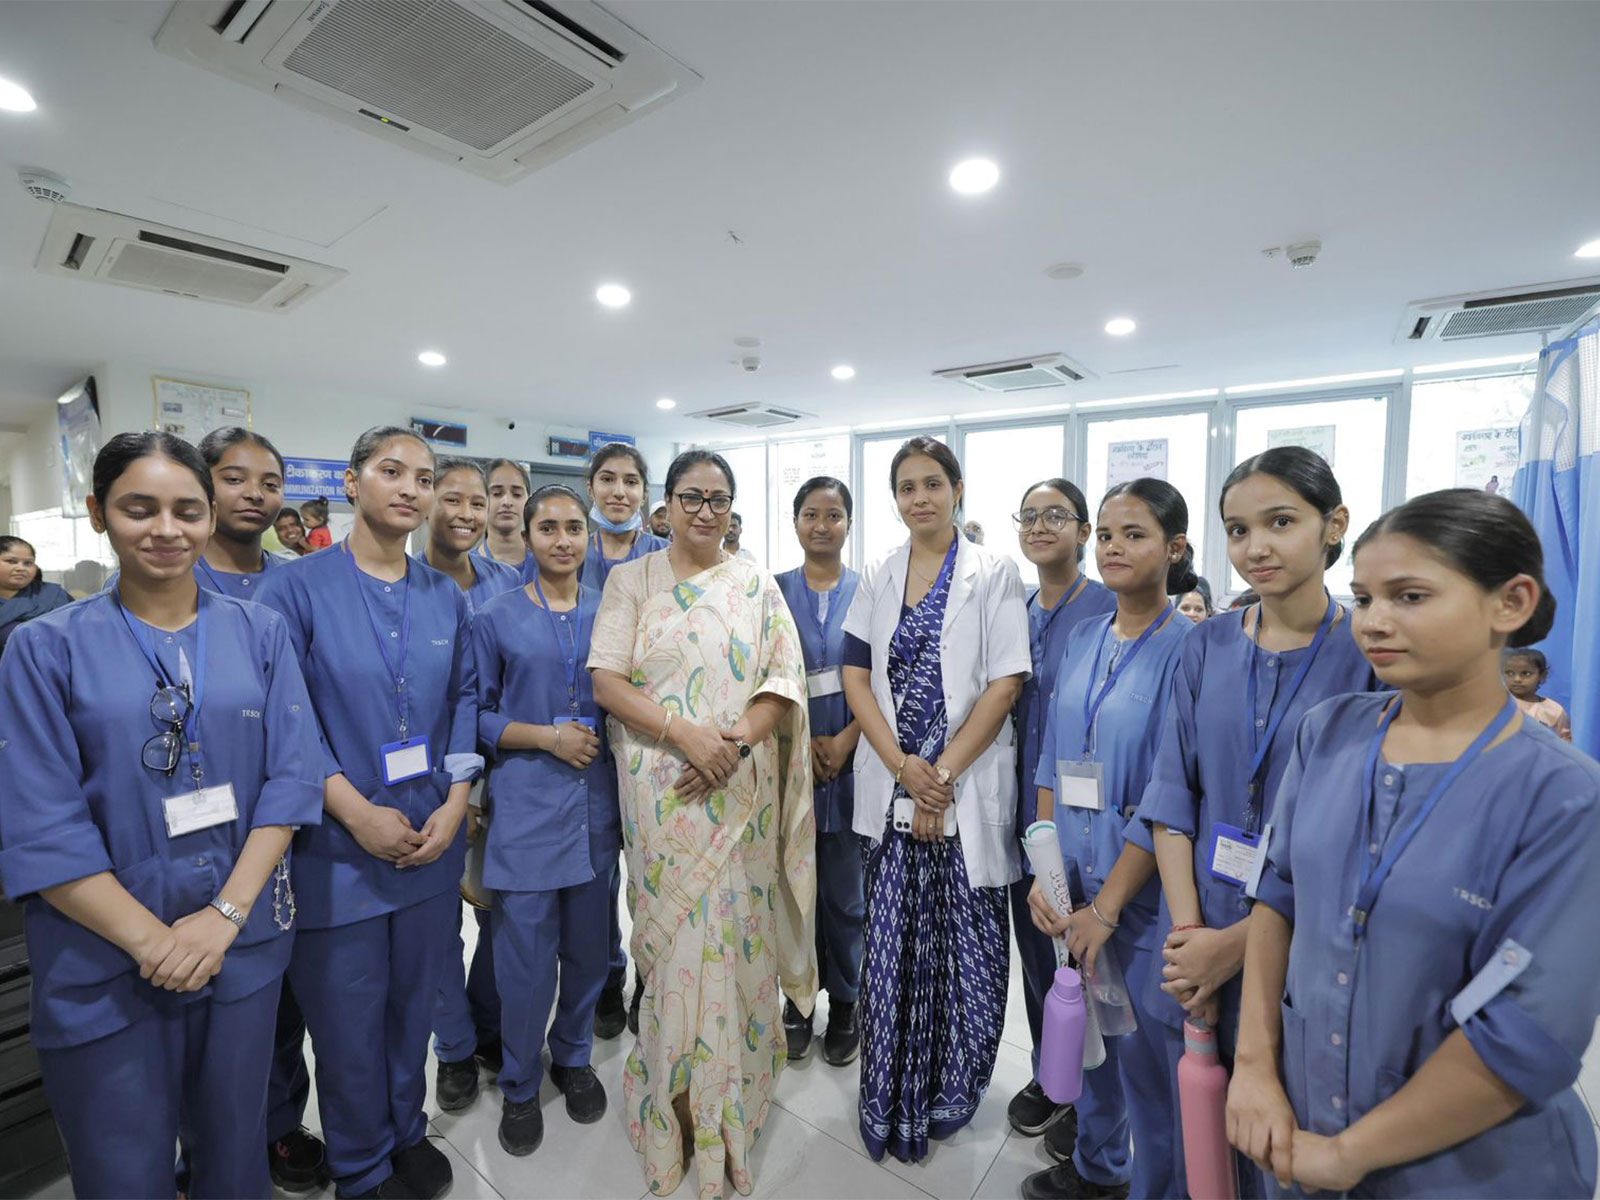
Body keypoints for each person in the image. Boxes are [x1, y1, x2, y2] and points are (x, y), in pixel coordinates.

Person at [1228, 489, 1600, 1198]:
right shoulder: (1328, 732)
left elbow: (1525, 1037)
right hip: (1298, 1132)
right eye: (1364, 598)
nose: (1375, 621)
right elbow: (1277, 895)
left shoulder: (1564, 797)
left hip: (1466, 1172)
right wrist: (1253, 1068)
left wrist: (1347, 1157)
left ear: (1511, 603)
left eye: (1410, 596)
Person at [0, 432, 323, 1199]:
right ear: (99, 514)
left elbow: (290, 779)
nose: (166, 529)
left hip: (241, 942)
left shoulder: (259, 632)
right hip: (104, 959)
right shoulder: (43, 649)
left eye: (186, 510)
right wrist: (156, 941)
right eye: (139, 509)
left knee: (234, 1152)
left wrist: (223, 917)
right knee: (123, 1168)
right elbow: (40, 824)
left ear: (210, 517)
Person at [1139, 447, 1377, 1197]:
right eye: (1238, 531)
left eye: (1281, 522)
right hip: (1193, 930)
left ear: (1333, 525)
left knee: (1284, 1147)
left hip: (1310, 950)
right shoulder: (1204, 646)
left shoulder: (1371, 657)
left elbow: (1364, 843)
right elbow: (1173, 797)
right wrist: (1190, 943)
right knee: (1197, 1140)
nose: (1257, 547)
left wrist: (1234, 948)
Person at [257, 426, 481, 1200]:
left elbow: (463, 702)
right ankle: (358, 1163)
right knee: (348, 1021)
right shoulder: (292, 588)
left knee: (411, 1005)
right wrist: (354, 813)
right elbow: (285, 718)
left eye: (424, 477)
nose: (411, 488)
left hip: (427, 837)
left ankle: (405, 1133)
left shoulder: (444, 594)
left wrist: (456, 801)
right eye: (392, 472)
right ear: (351, 483)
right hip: (337, 852)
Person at [589, 449, 815, 1199]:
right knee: (677, 946)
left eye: (720, 499)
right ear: (666, 504)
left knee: (736, 949)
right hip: (663, 796)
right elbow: (606, 680)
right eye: (692, 497)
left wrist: (735, 741)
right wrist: (685, 735)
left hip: (739, 793)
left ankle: (731, 1111)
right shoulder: (632, 580)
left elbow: (781, 680)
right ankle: (674, 1115)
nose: (706, 511)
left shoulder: (756, 583)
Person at [840, 436, 1030, 1163]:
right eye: (906, 487)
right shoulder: (879, 574)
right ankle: (888, 1102)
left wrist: (940, 776)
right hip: (893, 795)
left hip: (963, 791)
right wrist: (902, 770)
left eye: (932, 484)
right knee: (890, 961)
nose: (919, 497)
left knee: (964, 959)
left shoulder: (994, 573)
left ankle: (949, 1095)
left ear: (957, 489)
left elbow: (1004, 683)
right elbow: (857, 678)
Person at [1022, 477, 1198, 1200]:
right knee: (1091, 1040)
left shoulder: (1192, 649)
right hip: (1071, 880)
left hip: (1141, 895)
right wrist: (1044, 871)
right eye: (1107, 535)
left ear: (1174, 548)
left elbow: (1168, 794)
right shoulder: (1087, 636)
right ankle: (1098, 1170)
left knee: (1146, 1060)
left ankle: (1156, 1184)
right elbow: (1052, 760)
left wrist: (1108, 908)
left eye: (1135, 534)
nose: (1114, 548)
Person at [475, 485, 617, 1156]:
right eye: (548, 528)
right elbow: (476, 714)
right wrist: (544, 737)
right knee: (525, 960)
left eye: (573, 528)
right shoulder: (495, 616)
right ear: (527, 537)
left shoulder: (612, 610)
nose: (562, 539)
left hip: (597, 805)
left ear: (589, 537)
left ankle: (573, 1054)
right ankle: (521, 1081)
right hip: (528, 805)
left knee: (591, 949)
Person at [1004, 479, 1117, 1140]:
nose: (1041, 526)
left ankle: (1095, 1093)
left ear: (1081, 532)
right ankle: (1054, 1070)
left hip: (1090, 816)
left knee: (1094, 956)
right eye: (1030, 516)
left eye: (1056, 516)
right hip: (1024, 810)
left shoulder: (1105, 608)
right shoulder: (1014, 609)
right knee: (1039, 948)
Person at [420, 459, 523, 1113]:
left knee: (500, 916)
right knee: (435, 927)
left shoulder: (506, 581)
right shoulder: (397, 582)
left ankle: (487, 1027)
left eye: (477, 500)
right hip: (422, 780)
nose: (465, 511)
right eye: (449, 497)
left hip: (499, 773)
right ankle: (453, 1048)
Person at [577, 444, 671, 1037]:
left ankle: (651, 978)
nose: (619, 491)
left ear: (645, 491)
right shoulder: (565, 554)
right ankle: (606, 978)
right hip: (583, 740)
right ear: (591, 488)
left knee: (651, 871)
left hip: (653, 741)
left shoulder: (667, 558)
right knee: (596, 879)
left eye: (631, 481)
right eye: (608, 480)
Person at [775, 477, 865, 1066]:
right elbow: (760, 672)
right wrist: (800, 740)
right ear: (796, 521)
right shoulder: (773, 591)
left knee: (846, 895)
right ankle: (796, 1001)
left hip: (858, 760)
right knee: (791, 888)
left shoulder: (872, 590)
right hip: (790, 759)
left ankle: (847, 1002)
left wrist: (851, 740)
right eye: (811, 514)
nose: (822, 525)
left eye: (834, 515)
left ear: (848, 524)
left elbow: (886, 677)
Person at [0, 536, 73, 654]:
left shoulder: (52, 594)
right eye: (11, 561)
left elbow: (80, 632)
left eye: (28, 563)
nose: (20, 568)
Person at [478, 458, 535, 575]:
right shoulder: (466, 568)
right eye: (497, 494)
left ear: (529, 499)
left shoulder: (546, 565)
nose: (507, 502)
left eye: (517, 494)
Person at [1502, 647, 1571, 741]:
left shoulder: (1554, 710)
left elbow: (1565, 743)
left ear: (1542, 676)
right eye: (1510, 673)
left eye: (1526, 673)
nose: (1517, 679)